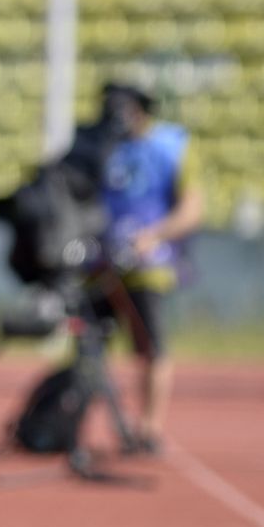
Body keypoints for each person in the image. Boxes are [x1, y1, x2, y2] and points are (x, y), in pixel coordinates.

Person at [88, 82, 203, 452]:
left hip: (148, 266)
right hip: (99, 263)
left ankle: (149, 429)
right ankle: (78, 426)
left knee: (151, 348)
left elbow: (192, 208)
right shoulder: (101, 147)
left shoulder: (172, 146)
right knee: (88, 346)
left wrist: (154, 236)